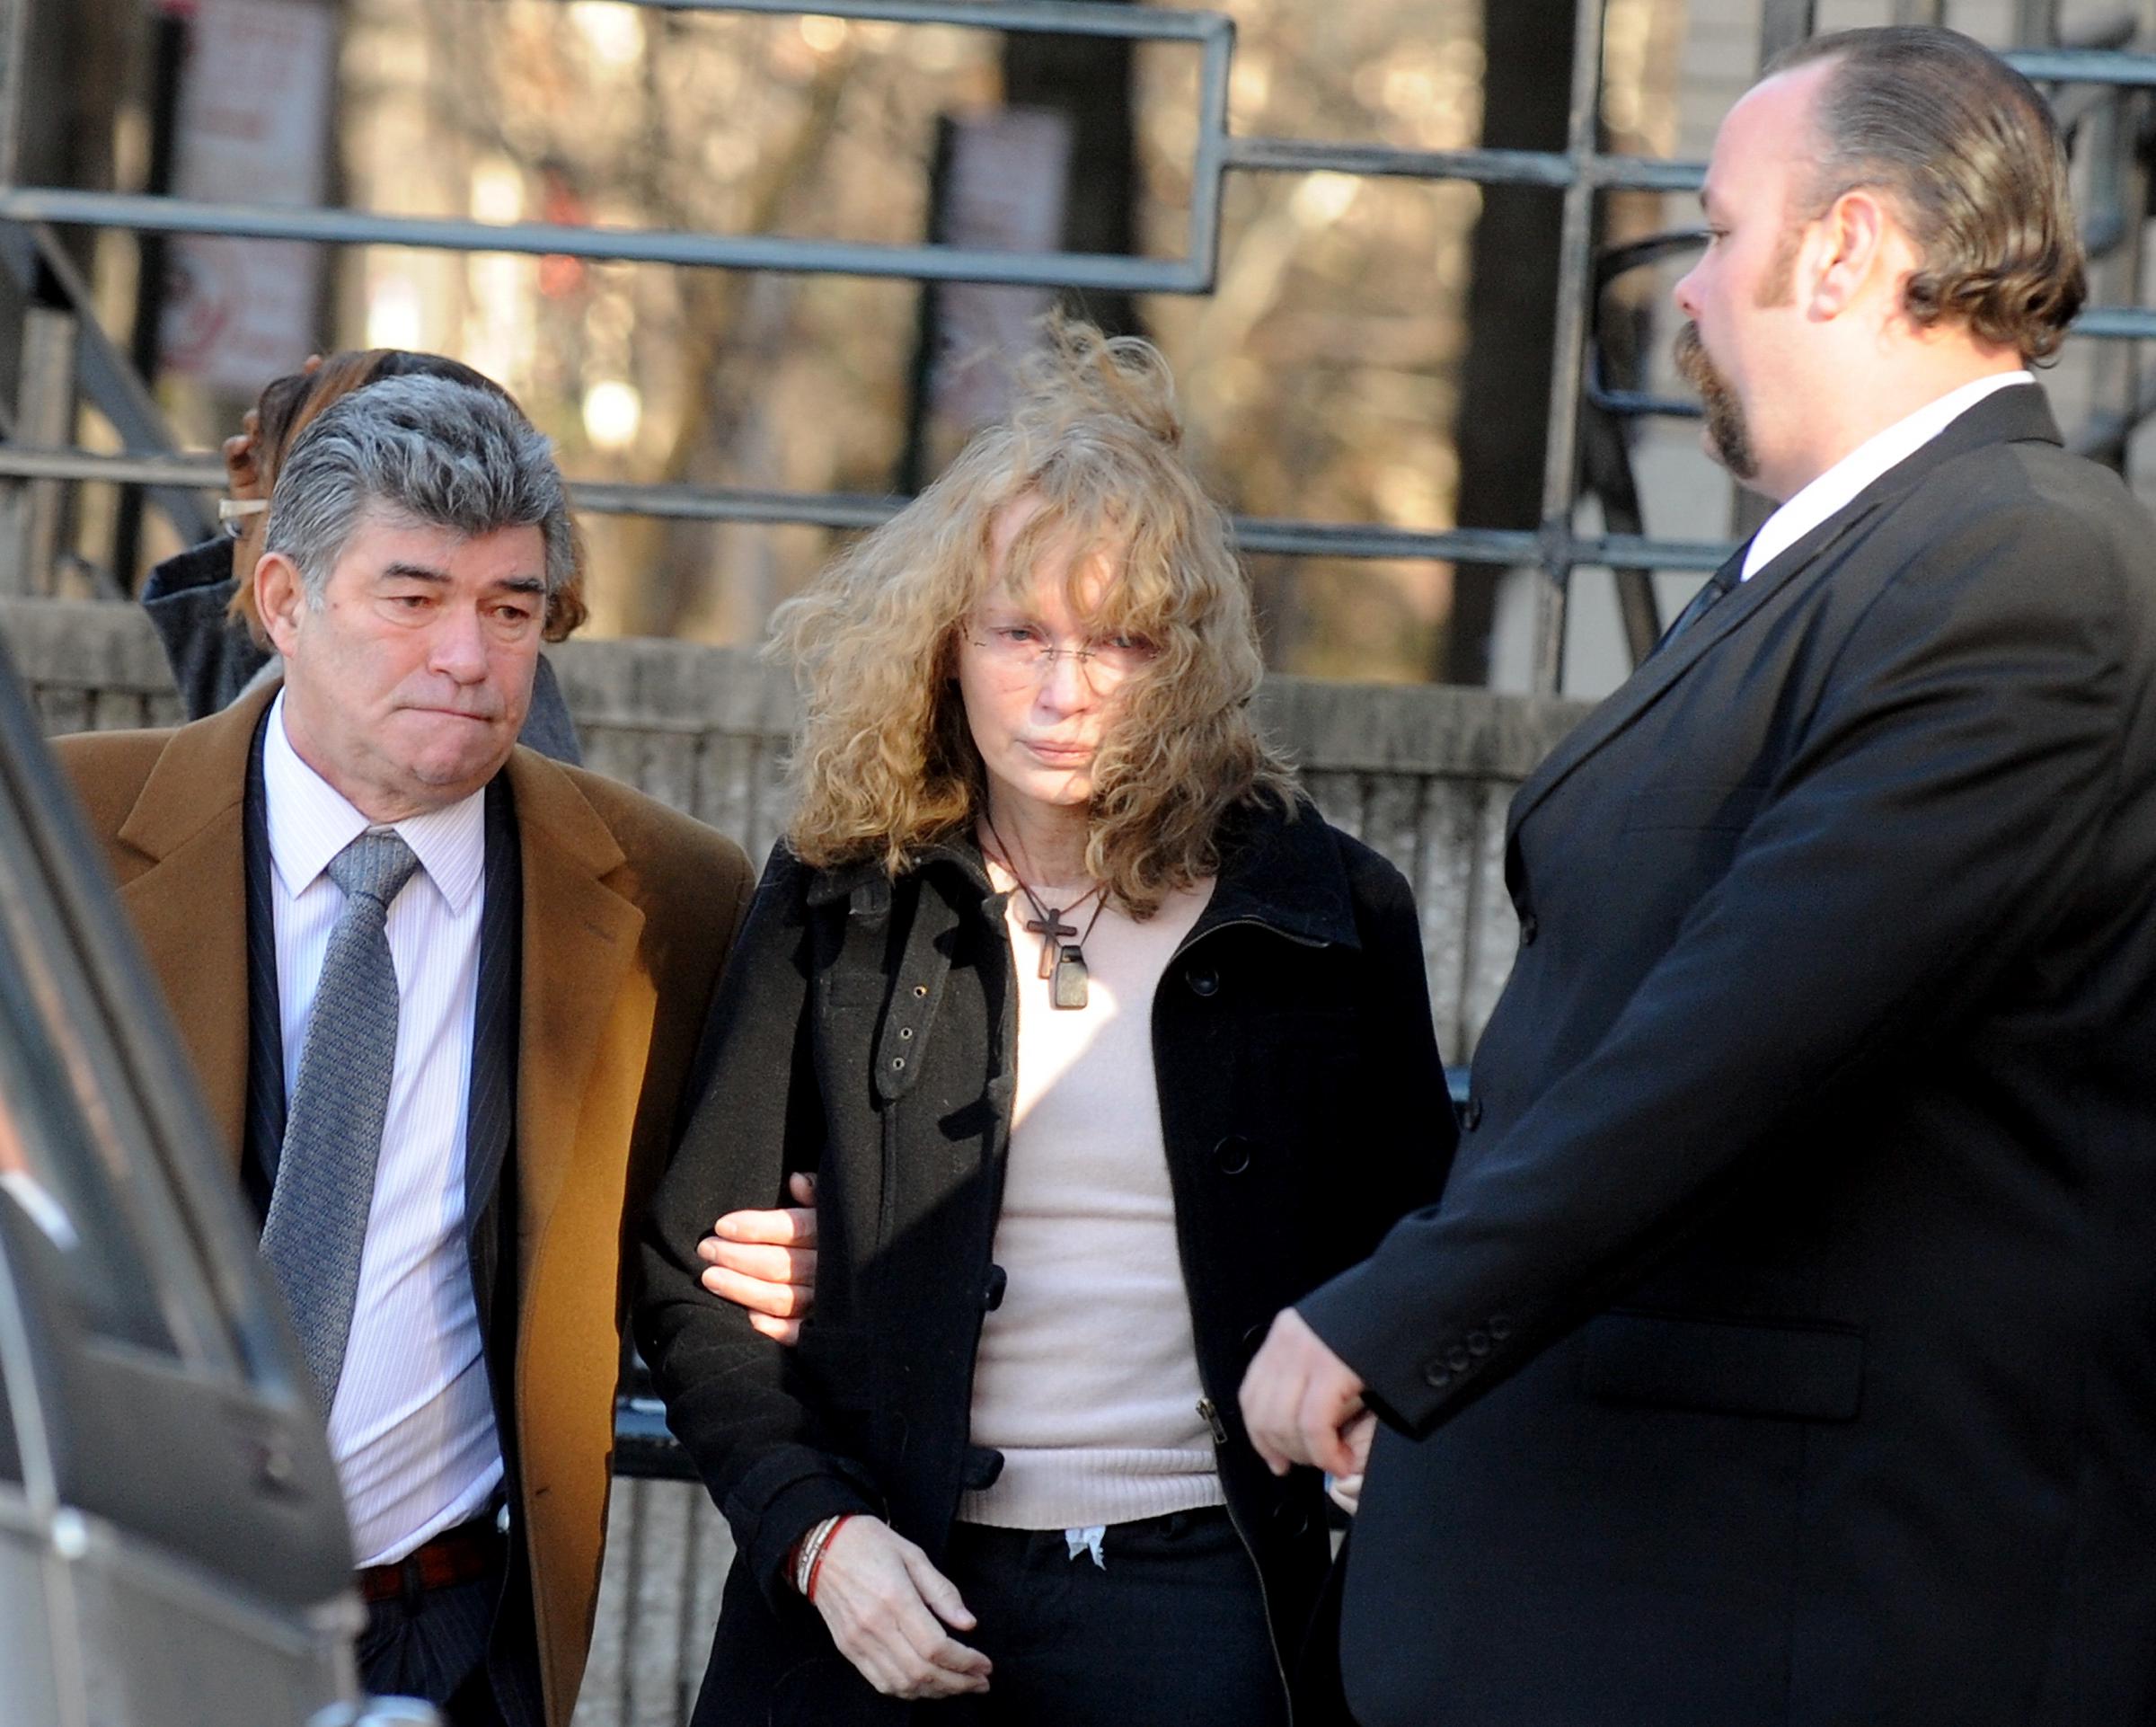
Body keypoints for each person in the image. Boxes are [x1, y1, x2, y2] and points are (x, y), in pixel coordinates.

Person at [1240, 26, 2156, 1726]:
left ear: (1850, 246)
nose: (1686, 291)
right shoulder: (1841, 562)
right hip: (1660, 1587)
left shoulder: (2029, 557)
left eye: (1720, 230)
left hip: (1802, 1611)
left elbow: (1750, 1027)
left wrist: (1403, 1309)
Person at [636, 320, 1449, 1727]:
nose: (1063, 692)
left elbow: (1420, 1252)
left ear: (1186, 661)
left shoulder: (1326, 914)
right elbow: (688, 1274)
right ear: (948, 645)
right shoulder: (843, 891)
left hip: (1209, 1610)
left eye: (1119, 643)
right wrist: (817, 1538)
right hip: (883, 1590)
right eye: (1021, 633)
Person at [54, 375, 754, 1727]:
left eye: (511, 608)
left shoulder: (671, 892)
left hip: (446, 1632)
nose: (469, 656)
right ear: (281, 601)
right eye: (413, 595)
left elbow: (709, 1230)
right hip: (106, 1603)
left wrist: (802, 1250)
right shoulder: (69, 836)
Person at [139, 348, 585, 761]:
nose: (467, 661)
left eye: (508, 611)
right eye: (245, 521)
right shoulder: (293, 691)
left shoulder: (467, 720)